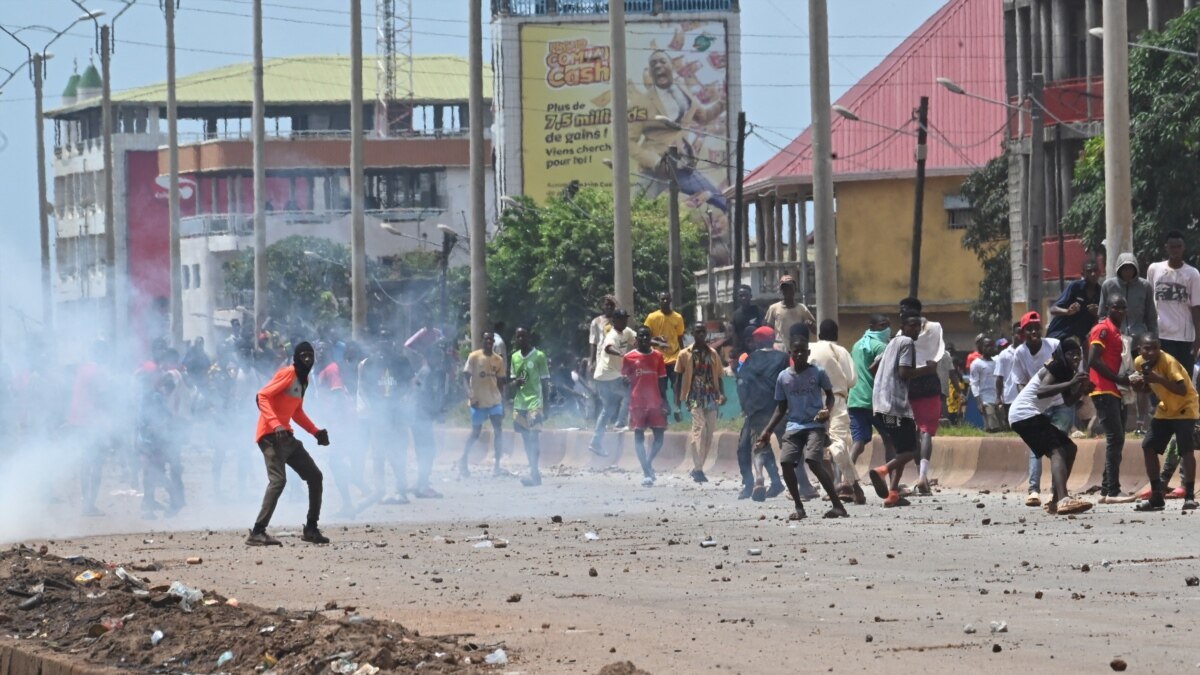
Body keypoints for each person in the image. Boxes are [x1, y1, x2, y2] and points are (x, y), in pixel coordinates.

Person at [758, 328, 849, 520]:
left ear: (808, 353)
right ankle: (799, 507)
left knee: (813, 461)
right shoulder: (783, 377)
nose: (799, 354)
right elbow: (781, 408)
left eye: (802, 351)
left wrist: (827, 409)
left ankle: (837, 505)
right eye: (795, 351)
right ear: (790, 353)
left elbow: (830, 396)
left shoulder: (818, 373)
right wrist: (767, 431)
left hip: (814, 425)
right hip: (794, 426)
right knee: (786, 462)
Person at [247, 341, 330, 546]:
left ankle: (311, 528)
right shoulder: (288, 374)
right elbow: (262, 396)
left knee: (315, 476)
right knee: (278, 481)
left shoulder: (304, 380)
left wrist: (315, 432)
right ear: (296, 358)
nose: (308, 360)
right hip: (270, 436)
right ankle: (257, 532)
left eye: (311, 356)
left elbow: (297, 411)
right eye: (304, 356)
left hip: (286, 437)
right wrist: (275, 425)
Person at [1007, 339, 1095, 515]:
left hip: (1030, 414)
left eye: (1078, 354)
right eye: (1071, 354)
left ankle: (1055, 500)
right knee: (1057, 451)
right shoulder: (1056, 366)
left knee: (1070, 448)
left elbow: (1069, 401)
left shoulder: (1067, 371)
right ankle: (1063, 499)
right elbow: (1042, 391)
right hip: (1024, 413)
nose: (1075, 358)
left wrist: (1082, 390)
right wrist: (1072, 383)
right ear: (1062, 354)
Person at [867, 312, 938, 507]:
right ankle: (882, 471)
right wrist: (928, 370)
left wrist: (884, 382)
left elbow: (873, 367)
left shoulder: (891, 343)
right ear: (903, 327)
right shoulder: (906, 342)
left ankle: (893, 494)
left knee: (902, 448)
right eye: (911, 326)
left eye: (918, 327)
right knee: (912, 450)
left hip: (880, 404)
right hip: (895, 405)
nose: (915, 330)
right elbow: (904, 372)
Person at [1130, 333, 1199, 511]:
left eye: (1155, 348)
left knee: (1185, 450)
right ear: (1140, 350)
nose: (1151, 352)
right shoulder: (1139, 363)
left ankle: (1190, 496)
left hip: (1185, 407)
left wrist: (1158, 379)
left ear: (1159, 348)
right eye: (1147, 348)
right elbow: (1147, 389)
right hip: (1166, 408)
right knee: (1148, 446)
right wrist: (1139, 386)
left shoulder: (1168, 362)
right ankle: (1157, 496)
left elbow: (1182, 389)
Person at [808, 319, 865, 504]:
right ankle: (850, 485)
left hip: (813, 401)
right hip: (837, 399)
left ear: (819, 334)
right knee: (838, 444)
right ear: (836, 335)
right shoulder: (840, 351)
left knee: (822, 446)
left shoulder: (809, 349)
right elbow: (851, 380)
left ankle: (834, 487)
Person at [1007, 312, 1060, 506]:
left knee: (1058, 446)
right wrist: (1028, 404)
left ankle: (1057, 491)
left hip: (1059, 403)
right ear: (1023, 333)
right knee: (1036, 447)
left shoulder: (1054, 345)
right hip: (1036, 407)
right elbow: (1020, 382)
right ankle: (1034, 490)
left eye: (1037, 327)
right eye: (1030, 329)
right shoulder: (1020, 353)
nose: (1034, 331)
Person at [356, 333, 416, 505]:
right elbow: (363, 388)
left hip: (397, 415)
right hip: (377, 416)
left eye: (387, 340)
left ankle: (400, 490)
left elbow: (411, 384)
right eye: (380, 340)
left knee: (398, 452)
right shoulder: (369, 363)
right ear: (376, 343)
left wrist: (404, 402)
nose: (384, 344)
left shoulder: (401, 361)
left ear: (392, 342)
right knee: (378, 453)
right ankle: (379, 491)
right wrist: (372, 408)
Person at [1088, 295, 1134, 504]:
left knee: (1117, 438)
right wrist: (1117, 378)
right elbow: (1093, 360)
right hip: (1103, 389)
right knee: (1115, 438)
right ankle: (1112, 490)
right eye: (1117, 307)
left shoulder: (1116, 332)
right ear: (1108, 308)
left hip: (1114, 390)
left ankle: (1107, 490)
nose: (1121, 311)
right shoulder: (1103, 329)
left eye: (1124, 308)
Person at [736, 326, 789, 500]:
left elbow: (742, 383)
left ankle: (752, 483)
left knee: (748, 447)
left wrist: (746, 407)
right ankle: (784, 483)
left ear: (757, 341)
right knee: (788, 447)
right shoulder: (783, 358)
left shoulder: (750, 359)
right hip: (780, 410)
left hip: (757, 411)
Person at [899, 297, 944, 495]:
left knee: (917, 431)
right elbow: (940, 351)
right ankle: (923, 476)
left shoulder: (902, 332)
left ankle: (920, 476)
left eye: (903, 310)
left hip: (910, 382)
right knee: (926, 430)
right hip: (930, 378)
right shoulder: (936, 327)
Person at [675, 321, 726, 483]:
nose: (701, 335)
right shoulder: (684, 354)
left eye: (703, 332)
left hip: (711, 396)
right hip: (694, 396)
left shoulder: (713, 354)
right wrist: (677, 400)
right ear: (693, 334)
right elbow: (678, 377)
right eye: (697, 332)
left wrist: (722, 394)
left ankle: (698, 468)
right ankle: (698, 468)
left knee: (709, 432)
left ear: (706, 334)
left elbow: (719, 376)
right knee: (698, 428)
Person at [1146, 231, 1200, 375]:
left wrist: (1198, 339)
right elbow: (1149, 302)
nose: (1175, 250)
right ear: (1166, 247)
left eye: (1178, 246)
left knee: (1183, 379)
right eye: (1172, 247)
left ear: (1184, 247)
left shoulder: (1192, 274)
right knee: (1162, 377)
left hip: (1185, 336)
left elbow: (1196, 308)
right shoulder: (1154, 269)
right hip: (1161, 335)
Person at [623, 326, 669, 487]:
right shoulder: (629, 357)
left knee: (660, 436)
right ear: (637, 338)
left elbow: (663, 381)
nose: (643, 339)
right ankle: (646, 472)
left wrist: (666, 401)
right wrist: (625, 383)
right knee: (638, 437)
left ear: (650, 338)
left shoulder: (658, 356)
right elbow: (624, 380)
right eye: (641, 336)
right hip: (637, 403)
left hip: (655, 401)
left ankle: (648, 462)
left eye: (646, 336)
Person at [459, 331, 508, 478]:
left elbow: (500, 382)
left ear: (493, 342)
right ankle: (463, 460)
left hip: (494, 401)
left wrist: (503, 402)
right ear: (482, 340)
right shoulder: (474, 357)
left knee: (498, 431)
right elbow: (465, 377)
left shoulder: (498, 360)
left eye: (491, 340)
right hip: (478, 401)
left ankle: (497, 466)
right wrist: (469, 393)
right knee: (475, 433)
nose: (489, 342)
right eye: (486, 339)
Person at [848, 314, 895, 465]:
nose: (887, 329)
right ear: (872, 326)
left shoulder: (857, 345)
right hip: (877, 402)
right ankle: (891, 478)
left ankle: (845, 479)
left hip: (855, 400)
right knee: (890, 439)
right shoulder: (881, 347)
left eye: (888, 325)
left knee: (858, 443)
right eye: (882, 325)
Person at [589, 309, 637, 456]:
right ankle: (621, 423)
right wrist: (621, 353)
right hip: (608, 374)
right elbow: (609, 348)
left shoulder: (626, 331)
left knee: (608, 408)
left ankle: (596, 442)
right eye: (621, 319)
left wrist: (655, 341)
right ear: (615, 321)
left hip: (604, 376)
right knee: (631, 392)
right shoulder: (612, 335)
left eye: (625, 319)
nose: (624, 321)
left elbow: (639, 340)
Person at [510, 327, 551, 487]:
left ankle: (535, 473)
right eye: (518, 336)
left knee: (534, 437)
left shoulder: (539, 356)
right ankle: (534, 472)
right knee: (526, 439)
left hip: (535, 402)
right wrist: (515, 383)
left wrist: (546, 406)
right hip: (520, 403)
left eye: (523, 336)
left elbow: (546, 381)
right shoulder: (514, 357)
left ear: (528, 337)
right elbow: (513, 382)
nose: (521, 339)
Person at [645, 292, 687, 417]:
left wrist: (683, 355)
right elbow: (646, 337)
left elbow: (680, 337)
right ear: (659, 300)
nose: (664, 301)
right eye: (662, 299)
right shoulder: (652, 317)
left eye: (667, 299)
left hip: (674, 356)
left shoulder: (678, 318)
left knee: (676, 385)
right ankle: (665, 405)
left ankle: (677, 408)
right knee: (660, 387)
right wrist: (657, 340)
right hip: (658, 358)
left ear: (670, 300)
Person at [1047, 261, 1102, 343]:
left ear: (1099, 273)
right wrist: (1068, 311)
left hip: (1079, 340)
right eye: (1089, 271)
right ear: (1083, 274)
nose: (1093, 274)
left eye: (1095, 271)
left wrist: (1097, 314)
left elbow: (1104, 319)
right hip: (1059, 334)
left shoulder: (1101, 292)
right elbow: (1053, 309)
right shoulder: (1075, 287)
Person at [764, 276, 815, 352]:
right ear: (781, 290)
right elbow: (767, 331)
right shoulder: (773, 308)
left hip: (797, 350)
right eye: (784, 288)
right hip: (779, 350)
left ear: (794, 289)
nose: (787, 290)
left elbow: (815, 330)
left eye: (790, 287)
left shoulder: (802, 308)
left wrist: (810, 325)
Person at [994, 322, 1024, 429]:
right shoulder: (1004, 354)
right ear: (1013, 334)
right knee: (1010, 426)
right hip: (1009, 396)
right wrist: (998, 397)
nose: (1020, 336)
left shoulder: (1028, 351)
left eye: (1023, 333)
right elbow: (999, 377)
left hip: (1025, 395)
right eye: (1018, 333)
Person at [968, 336, 1000, 432]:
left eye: (992, 346)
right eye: (987, 346)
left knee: (998, 427)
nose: (989, 348)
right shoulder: (976, 364)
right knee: (993, 426)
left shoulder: (997, 362)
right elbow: (974, 384)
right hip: (985, 399)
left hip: (997, 399)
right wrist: (979, 402)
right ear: (982, 347)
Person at [731, 285, 765, 359]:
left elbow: (764, 329)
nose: (743, 298)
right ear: (738, 297)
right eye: (741, 295)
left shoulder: (759, 311)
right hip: (743, 353)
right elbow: (735, 335)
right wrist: (735, 351)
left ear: (750, 296)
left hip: (758, 350)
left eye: (746, 295)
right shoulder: (736, 315)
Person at [589, 295, 618, 372]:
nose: (609, 307)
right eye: (607, 304)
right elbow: (593, 343)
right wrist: (591, 362)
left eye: (612, 305)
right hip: (601, 358)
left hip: (616, 359)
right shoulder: (596, 322)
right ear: (602, 306)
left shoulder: (619, 321)